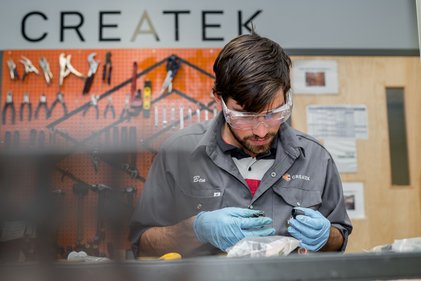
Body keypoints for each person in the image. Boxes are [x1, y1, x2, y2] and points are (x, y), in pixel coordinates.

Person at [129, 33, 352, 257]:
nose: (261, 131)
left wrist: (325, 236)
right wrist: (196, 230)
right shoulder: (178, 154)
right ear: (219, 100)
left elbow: (339, 237)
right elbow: (143, 243)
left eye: (273, 113)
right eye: (245, 116)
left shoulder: (316, 158)